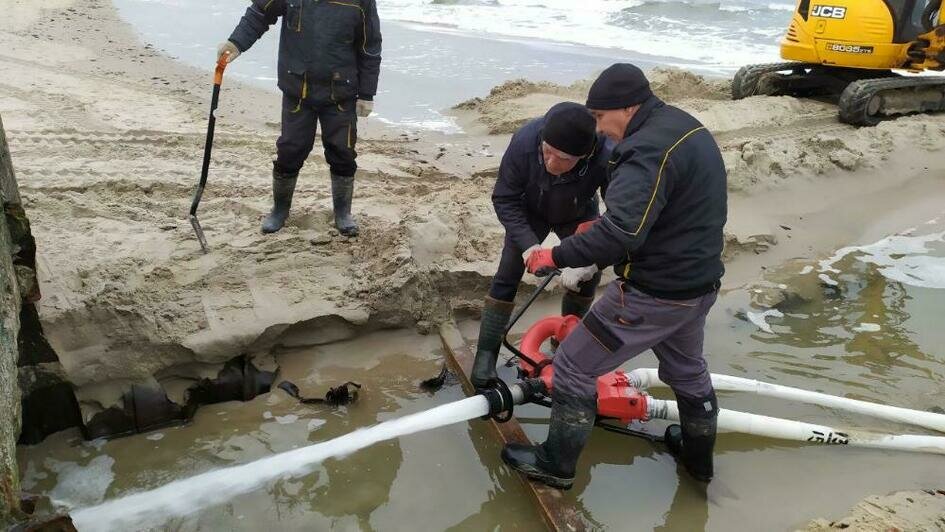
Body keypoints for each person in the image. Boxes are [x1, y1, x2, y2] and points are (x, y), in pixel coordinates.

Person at [502, 63, 728, 488]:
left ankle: (556, 465)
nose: (600, 132)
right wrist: (600, 231)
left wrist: (558, 254)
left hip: (652, 293)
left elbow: (622, 231)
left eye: (599, 119)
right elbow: (655, 212)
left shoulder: (642, 150)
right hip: (698, 285)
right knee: (686, 371)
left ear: (626, 108)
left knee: (571, 365)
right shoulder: (685, 127)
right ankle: (699, 462)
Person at [471, 102, 610, 389]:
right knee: (507, 274)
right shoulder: (524, 140)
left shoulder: (607, 154)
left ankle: (565, 348)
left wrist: (591, 259)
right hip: (530, 209)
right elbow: (504, 198)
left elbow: (621, 214)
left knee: (586, 280)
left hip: (578, 211)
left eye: (563, 159)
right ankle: (485, 355)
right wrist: (528, 246)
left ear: (585, 155)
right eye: (547, 152)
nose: (551, 163)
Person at [218, 0, 382, 236]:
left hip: (341, 92)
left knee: (343, 152)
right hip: (298, 89)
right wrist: (236, 43)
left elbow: (370, 46)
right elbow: (259, 14)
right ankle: (279, 210)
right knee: (290, 150)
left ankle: (343, 213)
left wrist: (367, 93)